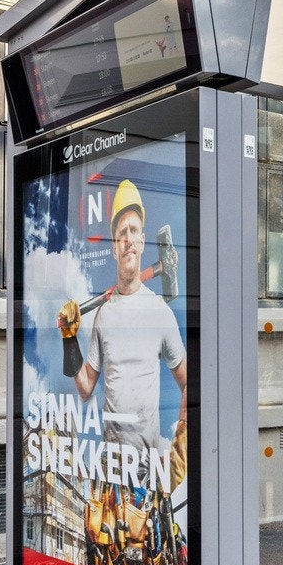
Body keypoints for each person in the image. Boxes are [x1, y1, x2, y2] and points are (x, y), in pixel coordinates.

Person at [57, 179, 187, 485]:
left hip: (147, 469)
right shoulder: (103, 315)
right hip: (110, 467)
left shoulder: (159, 312)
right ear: (115, 248)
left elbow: (188, 382)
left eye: (133, 232)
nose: (127, 239)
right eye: (121, 234)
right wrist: (68, 338)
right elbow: (86, 387)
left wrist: (180, 448)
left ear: (142, 242)